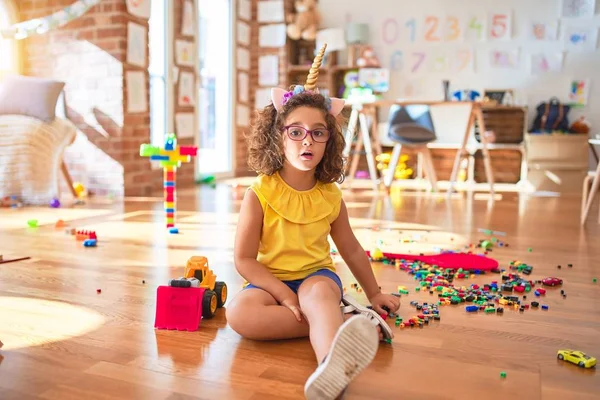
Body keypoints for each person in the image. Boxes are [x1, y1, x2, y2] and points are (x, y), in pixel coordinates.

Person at [226, 44, 400, 400]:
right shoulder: (258, 193)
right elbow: (244, 260)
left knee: (318, 296)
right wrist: (283, 296)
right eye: (296, 131)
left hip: (316, 277)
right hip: (272, 281)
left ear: (328, 142)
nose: (308, 139)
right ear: (278, 136)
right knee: (238, 315)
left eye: (318, 132)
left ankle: (329, 368)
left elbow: (349, 247)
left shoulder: (329, 196)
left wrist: (375, 293)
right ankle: (346, 323)